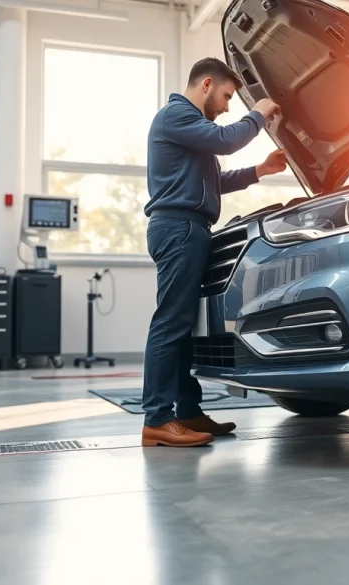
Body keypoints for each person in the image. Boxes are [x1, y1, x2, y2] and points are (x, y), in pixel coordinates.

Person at [140, 57, 286, 447]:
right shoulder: (176, 116)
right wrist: (257, 113)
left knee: (186, 327)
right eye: (225, 97)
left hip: (191, 229)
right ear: (207, 84)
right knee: (170, 323)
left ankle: (187, 412)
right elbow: (227, 140)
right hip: (179, 228)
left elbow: (214, 180)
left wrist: (261, 170)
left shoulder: (188, 127)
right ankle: (156, 419)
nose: (226, 107)